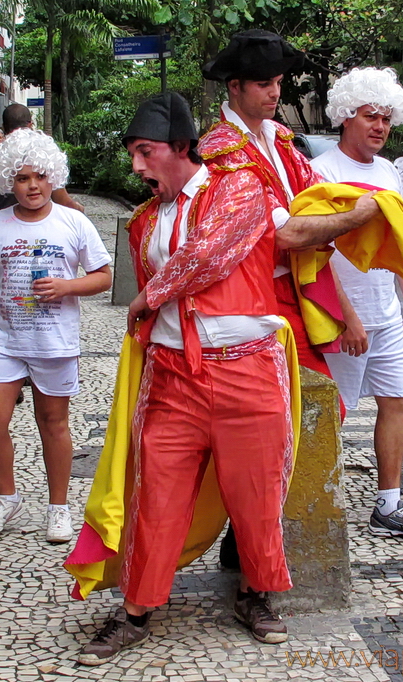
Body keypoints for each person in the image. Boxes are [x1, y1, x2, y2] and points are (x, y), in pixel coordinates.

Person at [73, 92, 296, 665]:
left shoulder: (240, 186)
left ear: (180, 147)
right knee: (156, 495)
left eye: (146, 153)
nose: (138, 167)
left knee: (258, 492)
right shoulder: (145, 219)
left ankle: (257, 591)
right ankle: (136, 608)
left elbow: (211, 251)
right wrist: (153, 300)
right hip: (173, 374)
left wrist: (151, 293)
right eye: (133, 156)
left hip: (247, 365)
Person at [198, 29, 380, 569]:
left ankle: (256, 527)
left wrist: (344, 309)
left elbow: (308, 225)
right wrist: (362, 216)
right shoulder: (217, 150)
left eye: (278, 81)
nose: (274, 92)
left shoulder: (279, 141)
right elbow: (289, 233)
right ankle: (247, 530)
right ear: (234, 87)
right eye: (262, 83)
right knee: (262, 421)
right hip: (242, 296)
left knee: (314, 412)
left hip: (292, 290)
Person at [309, 67, 403, 542]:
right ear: (347, 116)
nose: (380, 126)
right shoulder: (322, 172)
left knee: (395, 404)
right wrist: (346, 317)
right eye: (371, 116)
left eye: (387, 118)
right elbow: (314, 256)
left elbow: (400, 249)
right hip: (343, 320)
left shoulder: (388, 172)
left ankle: (389, 504)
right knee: (333, 413)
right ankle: (308, 507)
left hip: (387, 315)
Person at [0, 128, 112, 543]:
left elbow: (103, 277)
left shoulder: (74, 222)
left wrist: (67, 287)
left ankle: (58, 507)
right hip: (3, 340)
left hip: (53, 340)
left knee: (53, 422)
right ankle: (6, 498)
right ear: (6, 182)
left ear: (54, 177)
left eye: (40, 177)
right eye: (22, 178)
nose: (32, 186)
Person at [0, 104, 85, 235]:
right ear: (30, 125)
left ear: (4, 128)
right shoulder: (41, 155)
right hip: (40, 232)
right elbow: (62, 200)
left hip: (0, 233)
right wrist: (79, 212)